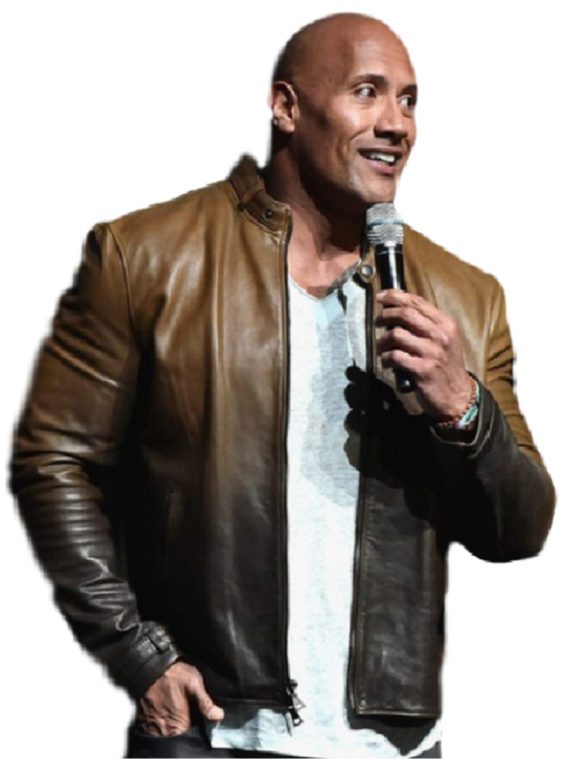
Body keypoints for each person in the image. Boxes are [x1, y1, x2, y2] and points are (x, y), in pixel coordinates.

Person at [9, 12, 555, 759]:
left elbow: (519, 530)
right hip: (213, 732)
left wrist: (462, 407)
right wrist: (138, 655)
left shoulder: (466, 297)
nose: (396, 123)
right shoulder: (148, 258)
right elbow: (54, 462)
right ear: (287, 107)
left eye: (409, 100)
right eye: (367, 92)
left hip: (396, 747)